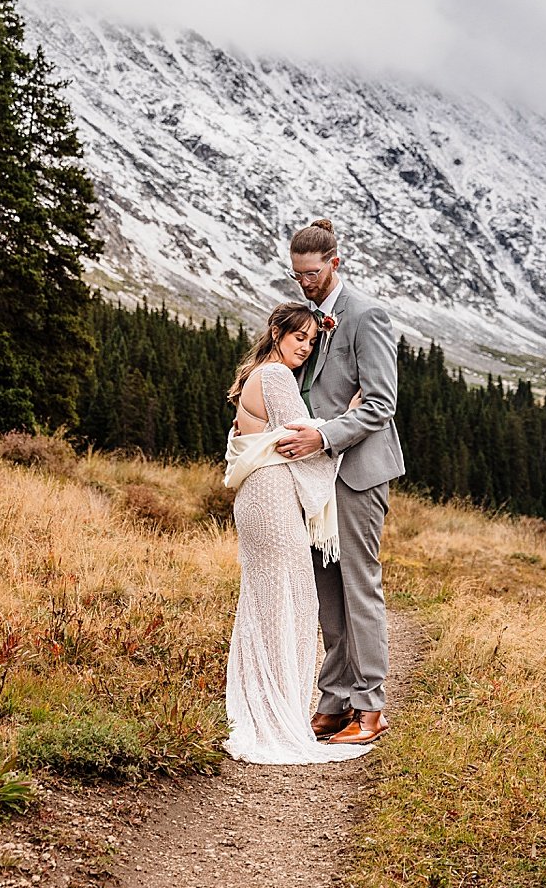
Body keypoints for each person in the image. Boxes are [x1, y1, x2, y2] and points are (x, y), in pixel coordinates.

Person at [274, 218, 405, 746]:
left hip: (356, 475)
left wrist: (325, 435)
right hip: (313, 477)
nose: (303, 283)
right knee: (325, 591)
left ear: (335, 262)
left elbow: (380, 404)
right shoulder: (308, 319)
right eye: (296, 274)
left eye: (311, 273)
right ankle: (333, 702)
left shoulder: (367, 315)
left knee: (359, 588)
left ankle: (371, 708)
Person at [220, 301, 369, 764]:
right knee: (292, 600)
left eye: (311, 341)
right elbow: (300, 441)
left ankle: (262, 709)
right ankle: (275, 716)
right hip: (272, 498)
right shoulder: (277, 376)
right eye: (297, 338)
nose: (304, 348)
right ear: (277, 333)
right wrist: (344, 421)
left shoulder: (253, 376)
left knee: (267, 602)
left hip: (259, 499)